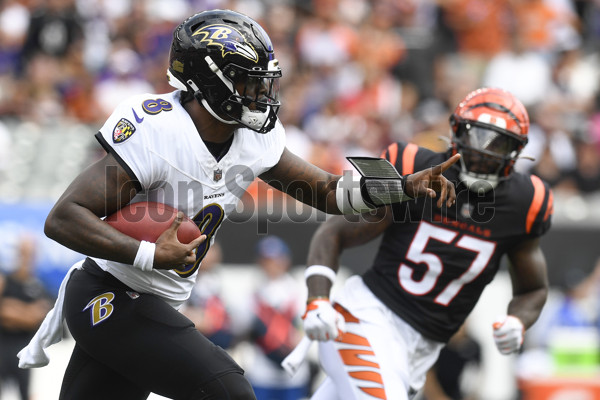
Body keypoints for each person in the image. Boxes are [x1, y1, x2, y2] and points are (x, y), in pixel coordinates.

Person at [17, 9, 459, 400]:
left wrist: (399, 187)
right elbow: (64, 218)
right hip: (110, 294)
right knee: (228, 389)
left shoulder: (253, 139)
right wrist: (150, 252)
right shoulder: (158, 130)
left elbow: (327, 193)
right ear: (208, 80)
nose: (260, 94)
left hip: (155, 299)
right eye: (249, 81)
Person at [301, 87, 553, 400]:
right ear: (457, 132)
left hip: (421, 350)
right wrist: (318, 298)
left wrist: (519, 320)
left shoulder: (525, 202)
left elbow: (533, 288)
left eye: (498, 144)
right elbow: (335, 232)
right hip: (368, 318)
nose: (485, 154)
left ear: (516, 151)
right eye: (477, 138)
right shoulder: (413, 166)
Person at [244, 236, 311, 400]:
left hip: (293, 374)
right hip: (261, 373)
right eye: (267, 260)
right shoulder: (252, 292)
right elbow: (242, 327)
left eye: (276, 259)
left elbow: (308, 326)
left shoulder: (299, 290)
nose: (272, 264)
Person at [0, 235, 52, 400]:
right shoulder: (5, 280)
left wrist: (13, 309)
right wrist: (28, 310)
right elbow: (3, 311)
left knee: (26, 394)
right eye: (23, 252)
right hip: (2, 348)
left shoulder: (39, 286)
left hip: (24, 351)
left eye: (30, 253)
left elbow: (39, 317)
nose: (26, 258)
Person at [180, 241, 234, 350]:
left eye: (213, 250)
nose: (212, 255)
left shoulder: (215, 280)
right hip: (190, 341)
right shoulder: (181, 279)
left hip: (217, 341)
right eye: (209, 249)